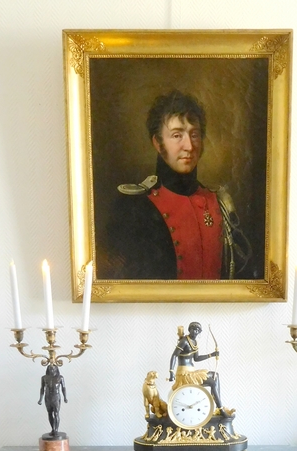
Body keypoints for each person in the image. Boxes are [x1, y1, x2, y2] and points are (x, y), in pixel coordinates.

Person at [106, 90, 252, 281]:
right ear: (158, 143)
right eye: (177, 136)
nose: (189, 146)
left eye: (194, 135)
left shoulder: (220, 202)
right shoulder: (134, 207)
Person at [169, 322, 232, 417]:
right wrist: (171, 372)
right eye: (194, 329)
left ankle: (218, 407)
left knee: (215, 375)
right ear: (189, 330)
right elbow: (174, 355)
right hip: (184, 374)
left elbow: (196, 358)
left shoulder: (195, 342)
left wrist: (211, 354)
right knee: (212, 382)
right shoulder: (184, 341)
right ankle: (221, 409)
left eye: (198, 330)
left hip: (191, 371)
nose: (195, 332)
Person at [38, 364, 68, 436]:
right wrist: (40, 399)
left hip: (56, 397)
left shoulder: (60, 378)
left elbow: (63, 388)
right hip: (48, 397)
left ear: (56, 369)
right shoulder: (44, 378)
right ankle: (53, 429)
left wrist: (65, 397)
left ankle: (56, 430)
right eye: (50, 369)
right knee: (49, 413)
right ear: (48, 369)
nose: (52, 370)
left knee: (56, 413)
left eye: (53, 369)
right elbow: (42, 388)